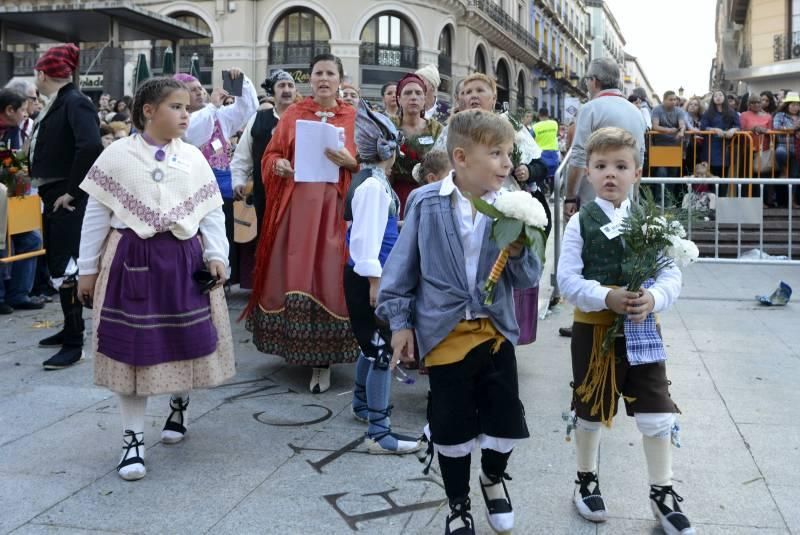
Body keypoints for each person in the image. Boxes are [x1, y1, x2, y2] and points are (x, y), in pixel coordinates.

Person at [377, 110, 540, 535]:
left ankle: (492, 475)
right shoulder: (426, 203)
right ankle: (458, 502)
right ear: (462, 158)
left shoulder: (508, 207)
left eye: (509, 154)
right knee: (451, 423)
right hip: (444, 330)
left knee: (504, 418)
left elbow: (527, 279)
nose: (507, 163)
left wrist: (521, 248)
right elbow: (401, 270)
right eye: (497, 153)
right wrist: (400, 322)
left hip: (494, 330)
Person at [77, 77, 234, 481]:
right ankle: (132, 439)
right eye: (177, 107)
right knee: (132, 348)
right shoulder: (116, 156)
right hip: (131, 258)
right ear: (149, 111)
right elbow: (96, 214)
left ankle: (179, 404)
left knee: (184, 339)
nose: (187, 113)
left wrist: (217, 255)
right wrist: (87, 270)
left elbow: (211, 212)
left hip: (184, 258)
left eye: (187, 107)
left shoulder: (194, 158)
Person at [557, 127, 692, 535]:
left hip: (642, 330)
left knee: (656, 408)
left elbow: (671, 274)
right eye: (601, 166)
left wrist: (654, 299)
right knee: (591, 407)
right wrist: (604, 296)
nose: (610, 174)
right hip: (594, 332)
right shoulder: (580, 222)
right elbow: (566, 280)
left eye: (620, 166)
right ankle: (586, 480)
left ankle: (662, 491)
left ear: (637, 172)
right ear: (590, 172)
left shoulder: (652, 223)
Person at [244, 53, 360, 394]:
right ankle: (296, 347)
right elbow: (271, 153)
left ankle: (324, 359)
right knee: (295, 271)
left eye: (330, 73)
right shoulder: (293, 114)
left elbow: (370, 163)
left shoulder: (354, 117)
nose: (324, 78)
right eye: (318, 72)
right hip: (296, 208)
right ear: (310, 78)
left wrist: (351, 162)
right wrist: (277, 164)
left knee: (329, 273)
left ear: (340, 79)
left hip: (336, 210)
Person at [344, 100, 422, 455]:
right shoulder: (374, 187)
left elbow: (377, 231)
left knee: (368, 344)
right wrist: (376, 282)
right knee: (379, 351)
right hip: (371, 279)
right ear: (387, 150)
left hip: (367, 277)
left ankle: (362, 404)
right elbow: (365, 239)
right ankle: (379, 431)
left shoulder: (371, 182)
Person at [29, 43, 104, 370]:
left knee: (67, 266)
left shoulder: (75, 102)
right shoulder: (63, 101)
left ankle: (74, 342)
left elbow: (90, 146)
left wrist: (72, 192)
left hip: (66, 195)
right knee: (60, 264)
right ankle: (68, 329)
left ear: (43, 73)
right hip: (55, 192)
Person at [179, 69, 258, 288]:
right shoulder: (184, 120)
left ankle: (220, 273)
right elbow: (192, 133)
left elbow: (247, 109)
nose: (200, 92)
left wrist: (241, 82)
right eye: (192, 90)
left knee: (220, 232)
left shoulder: (218, 115)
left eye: (200, 88)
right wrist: (213, 106)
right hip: (192, 189)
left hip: (221, 187)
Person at [230, 70, 297, 289]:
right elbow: (242, 155)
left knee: (295, 241)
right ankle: (269, 290)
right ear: (273, 91)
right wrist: (239, 180)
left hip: (299, 193)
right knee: (267, 239)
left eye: (290, 85)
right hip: (265, 192)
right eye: (281, 86)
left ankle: (294, 288)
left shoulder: (304, 118)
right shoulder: (259, 119)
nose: (286, 90)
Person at [564, 58, 647, 220]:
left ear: (594, 81)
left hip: (593, 198)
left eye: (587, 80)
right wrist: (634, 194)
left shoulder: (590, 109)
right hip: (624, 197)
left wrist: (570, 197)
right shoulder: (636, 113)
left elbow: (579, 156)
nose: (587, 84)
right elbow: (640, 159)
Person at [0, 88, 45, 313]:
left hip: (13, 198)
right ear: (9, 110)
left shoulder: (12, 131)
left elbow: (14, 167)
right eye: (21, 110)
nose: (25, 115)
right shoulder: (7, 133)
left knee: (31, 241)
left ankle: (18, 294)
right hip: (5, 198)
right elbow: (11, 166)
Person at [391, 73, 443, 217]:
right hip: (395, 192)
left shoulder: (436, 129)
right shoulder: (389, 125)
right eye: (407, 93)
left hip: (429, 193)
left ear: (425, 99)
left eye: (418, 93)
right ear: (399, 99)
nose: (413, 97)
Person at [700, 90, 740, 185]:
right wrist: (714, 129)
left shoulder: (731, 112)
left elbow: (738, 126)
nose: (718, 97)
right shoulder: (708, 113)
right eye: (715, 96)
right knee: (710, 176)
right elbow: (703, 127)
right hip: (710, 147)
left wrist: (733, 130)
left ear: (724, 97)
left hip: (725, 147)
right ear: (712, 99)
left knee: (723, 177)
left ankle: (721, 198)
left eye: (720, 95)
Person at [772, 91, 800, 207]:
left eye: (797, 105)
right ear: (787, 105)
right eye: (792, 104)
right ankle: (783, 168)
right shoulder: (780, 115)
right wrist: (793, 128)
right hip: (783, 145)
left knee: (794, 176)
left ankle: (792, 200)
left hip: (797, 147)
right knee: (780, 153)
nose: (795, 107)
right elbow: (776, 127)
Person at [533, 107, 561, 189]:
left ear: (539, 115)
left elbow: (530, 138)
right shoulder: (554, 124)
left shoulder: (535, 127)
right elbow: (556, 134)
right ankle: (554, 194)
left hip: (541, 154)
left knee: (541, 174)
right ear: (548, 114)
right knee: (554, 176)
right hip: (553, 153)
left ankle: (542, 193)